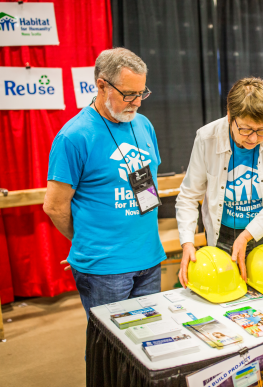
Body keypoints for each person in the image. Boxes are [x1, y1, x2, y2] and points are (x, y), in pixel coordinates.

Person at [44, 48, 165, 320]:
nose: (137, 102)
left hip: (149, 259)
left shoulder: (143, 125)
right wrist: (86, 241)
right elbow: (54, 206)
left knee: (149, 342)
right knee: (110, 352)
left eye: (141, 93)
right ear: (101, 85)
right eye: (129, 94)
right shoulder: (74, 136)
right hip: (105, 270)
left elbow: (147, 185)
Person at [176, 77, 263, 287]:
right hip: (222, 237)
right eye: (246, 129)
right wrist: (187, 242)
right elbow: (188, 197)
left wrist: (247, 235)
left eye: (262, 131)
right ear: (229, 116)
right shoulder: (207, 138)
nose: (253, 139)